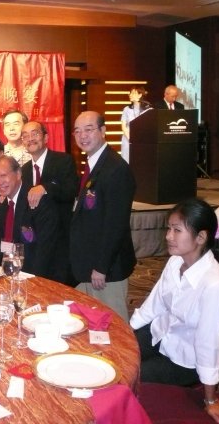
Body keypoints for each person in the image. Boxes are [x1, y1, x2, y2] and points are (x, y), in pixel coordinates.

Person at [130, 198, 219, 424]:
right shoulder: (176, 262)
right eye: (168, 228)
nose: (168, 236)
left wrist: (211, 400)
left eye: (177, 230)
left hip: (183, 359)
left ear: (201, 237)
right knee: (117, 355)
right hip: (161, 334)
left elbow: (207, 344)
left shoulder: (214, 285)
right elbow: (154, 305)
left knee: (128, 376)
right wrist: (127, 333)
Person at [70, 111, 136, 319]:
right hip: (90, 263)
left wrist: (101, 267)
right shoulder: (93, 164)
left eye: (89, 130)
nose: (83, 136)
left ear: (103, 131)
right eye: (78, 131)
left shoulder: (116, 169)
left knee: (113, 324)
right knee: (92, 321)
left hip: (107, 270)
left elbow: (116, 224)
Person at [20, 121, 78, 283]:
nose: (30, 139)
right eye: (25, 136)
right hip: (35, 243)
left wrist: (45, 188)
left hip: (60, 241)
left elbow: (71, 190)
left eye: (35, 134)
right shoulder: (23, 170)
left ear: (46, 137)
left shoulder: (63, 160)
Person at [0, 155, 62, 279]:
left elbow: (45, 249)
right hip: (9, 275)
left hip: (38, 277)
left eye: (3, 175)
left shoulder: (38, 201)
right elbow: (0, 245)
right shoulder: (1, 207)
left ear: (18, 174)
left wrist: (33, 280)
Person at [120, 86, 152, 163]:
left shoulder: (148, 109)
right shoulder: (126, 109)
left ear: (140, 95)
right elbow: (123, 126)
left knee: (141, 161)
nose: (130, 95)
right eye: (130, 93)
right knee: (127, 161)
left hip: (142, 140)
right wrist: (131, 139)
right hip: (128, 139)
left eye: (133, 93)